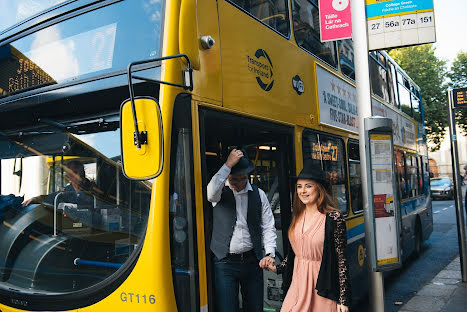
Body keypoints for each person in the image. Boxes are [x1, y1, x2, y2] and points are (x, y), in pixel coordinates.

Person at [266, 162, 351, 312]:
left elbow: (341, 261)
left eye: (308, 186)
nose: (303, 191)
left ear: (319, 189)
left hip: (322, 287)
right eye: (299, 186)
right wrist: (277, 268)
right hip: (298, 285)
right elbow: (295, 253)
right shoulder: (297, 215)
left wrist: (343, 299)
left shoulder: (334, 218)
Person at [207, 148, 277, 312]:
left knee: (254, 308)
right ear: (227, 176)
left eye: (243, 179)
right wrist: (227, 165)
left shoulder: (258, 194)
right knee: (227, 308)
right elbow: (210, 193)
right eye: (234, 179)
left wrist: (269, 253)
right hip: (225, 262)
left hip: (252, 261)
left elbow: (268, 226)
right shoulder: (219, 192)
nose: (238, 184)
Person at [22, 160, 95, 208]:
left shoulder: (95, 191)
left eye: (81, 172)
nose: (79, 176)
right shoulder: (63, 194)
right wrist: (36, 199)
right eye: (74, 173)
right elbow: (49, 198)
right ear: (68, 177)